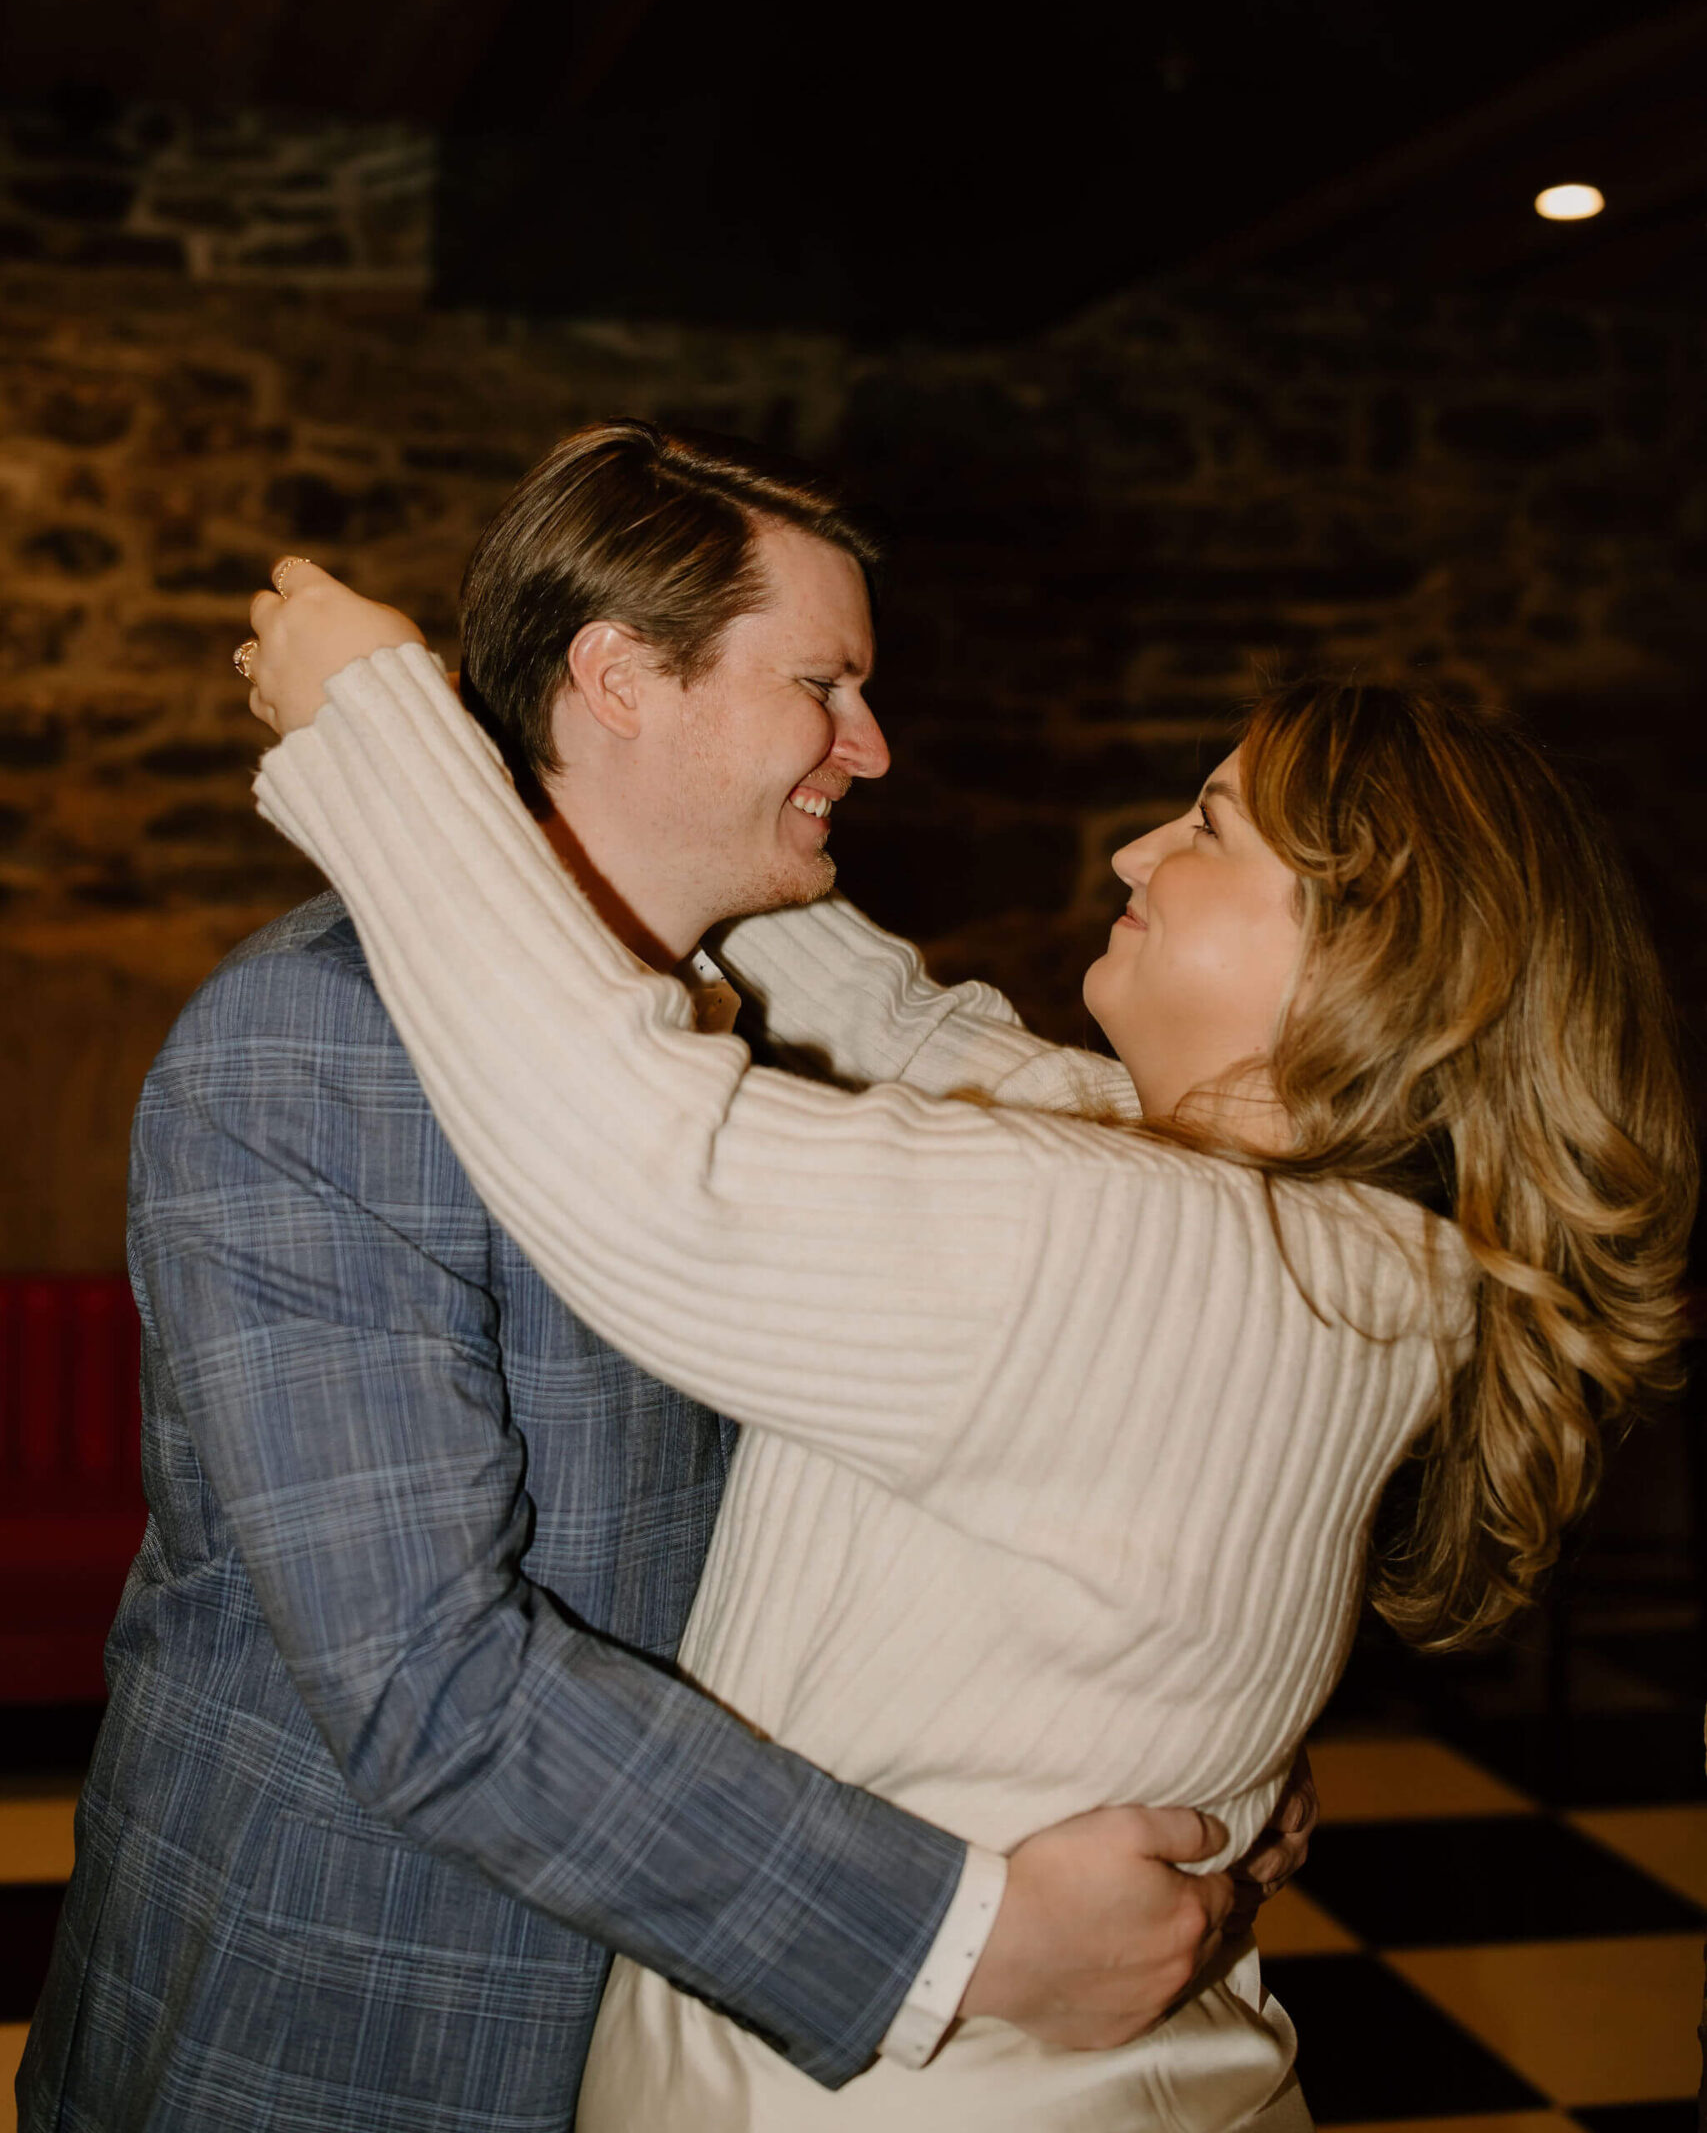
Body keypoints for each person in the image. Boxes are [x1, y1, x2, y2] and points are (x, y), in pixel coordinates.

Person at [239, 532, 1693, 2130]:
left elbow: (648, 1158)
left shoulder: (1157, 1256)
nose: (1139, 854)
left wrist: (375, 725)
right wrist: (596, 789)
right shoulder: (1338, 1238)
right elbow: (925, 1039)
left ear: (1368, 950)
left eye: (1208, 827)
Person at [20, 427, 1307, 2133]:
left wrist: (1190, 1753)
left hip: (673, 2028)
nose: (872, 744)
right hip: (353, 2021)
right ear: (621, 676)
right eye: (823, 685)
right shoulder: (316, 1041)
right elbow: (428, 1679)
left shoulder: (766, 1032)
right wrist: (963, 1938)